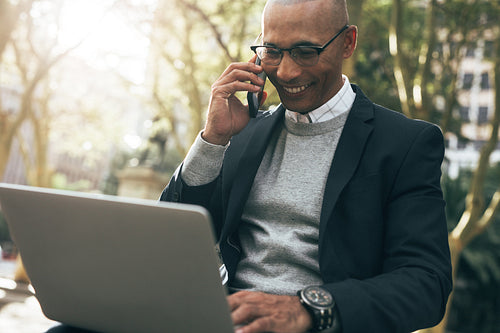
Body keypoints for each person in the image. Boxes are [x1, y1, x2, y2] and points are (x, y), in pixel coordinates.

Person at [160, 0, 452, 332]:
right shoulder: (242, 130)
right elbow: (167, 240)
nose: (285, 72)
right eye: (272, 51)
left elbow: (427, 284)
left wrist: (308, 309)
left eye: (305, 52)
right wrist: (213, 139)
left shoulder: (405, 143)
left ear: (347, 43)